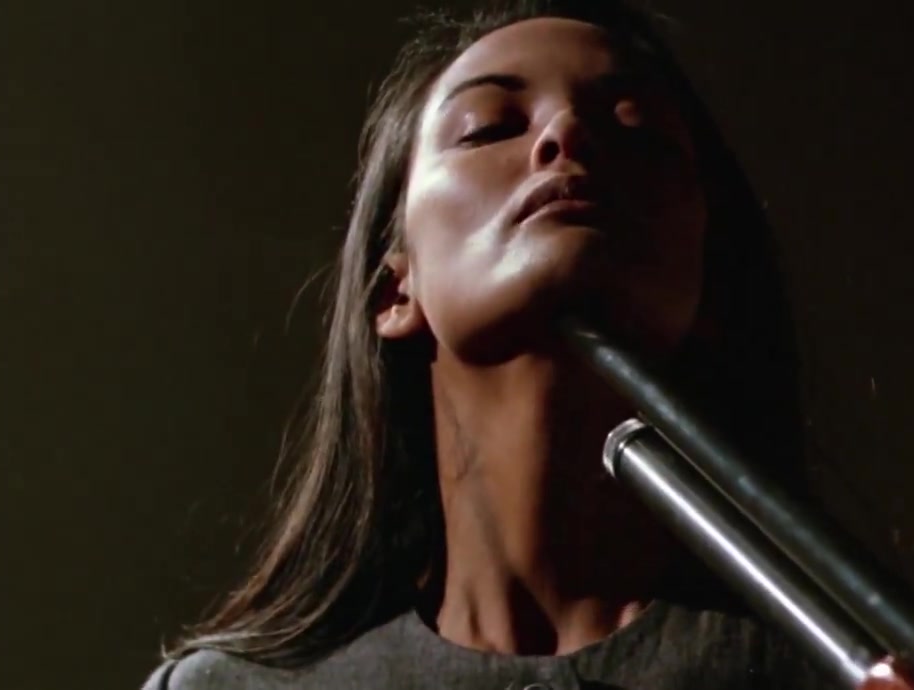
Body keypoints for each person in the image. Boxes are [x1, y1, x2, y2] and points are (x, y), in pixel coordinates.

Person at [142, 0, 827, 687]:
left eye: (635, 127)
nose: (565, 132)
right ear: (394, 291)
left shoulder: (836, 673)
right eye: (486, 127)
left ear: (714, 281)